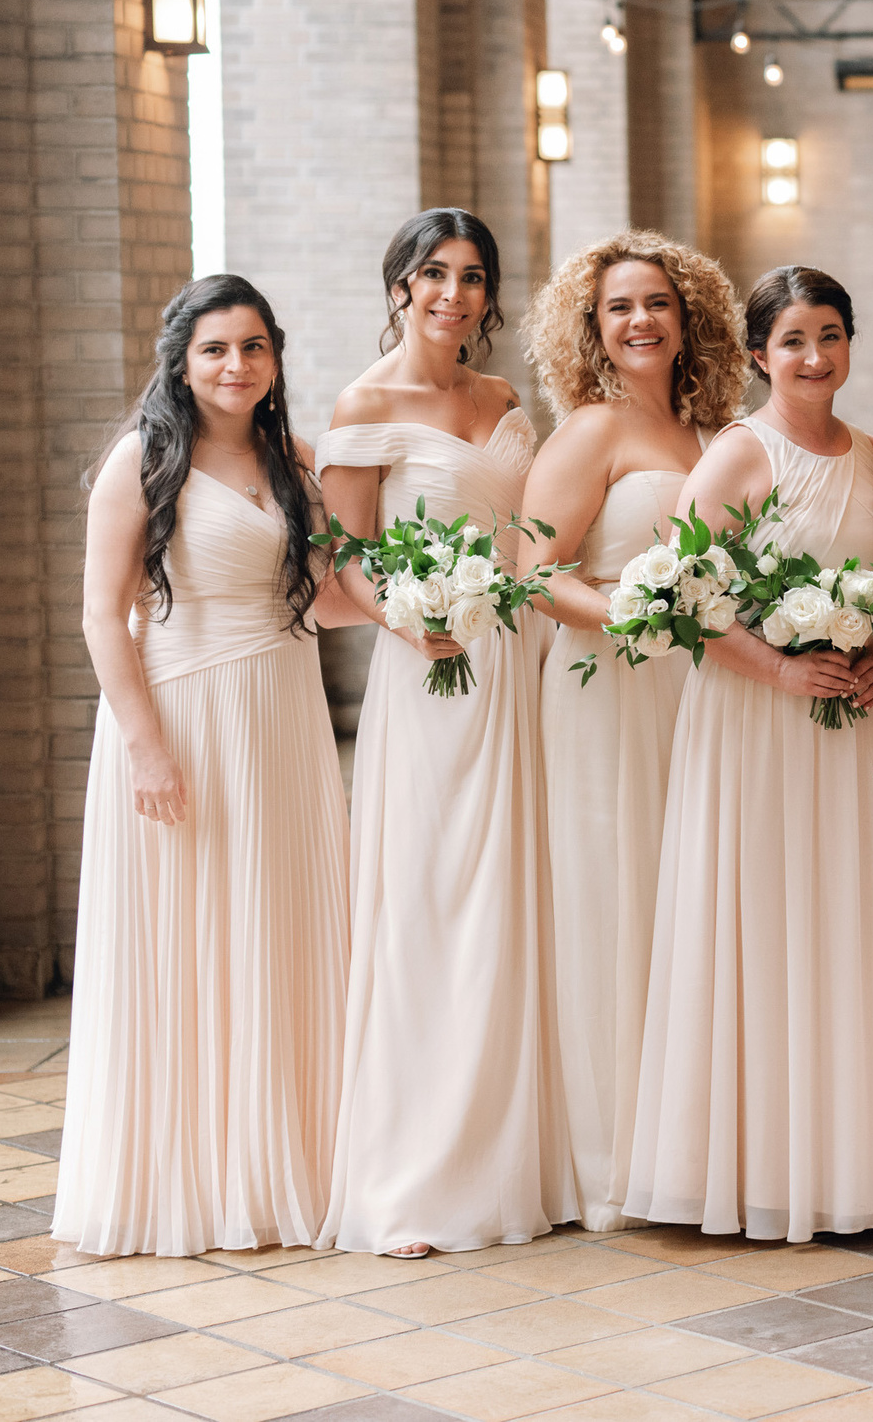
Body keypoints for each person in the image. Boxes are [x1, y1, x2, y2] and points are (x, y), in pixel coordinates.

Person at [56, 276, 357, 1257]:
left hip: (281, 716)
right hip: (183, 716)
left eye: (255, 348)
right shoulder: (140, 461)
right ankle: (189, 1176)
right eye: (217, 349)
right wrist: (146, 748)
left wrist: (422, 614)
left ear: (277, 357)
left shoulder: (293, 460)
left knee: (280, 924)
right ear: (181, 360)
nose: (237, 367)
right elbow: (105, 616)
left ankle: (286, 1167)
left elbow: (322, 598)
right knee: (192, 935)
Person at [626, 269, 873, 1241]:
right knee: (764, 921)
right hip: (755, 723)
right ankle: (756, 1166)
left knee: (853, 923)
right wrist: (778, 671)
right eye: (793, 340)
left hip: (853, 732)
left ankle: (855, 1162)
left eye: (831, 334)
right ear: (758, 355)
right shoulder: (742, 456)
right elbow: (672, 596)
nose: (816, 357)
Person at [316, 208, 575, 1256]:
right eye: (433, 274)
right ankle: (414, 1178)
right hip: (430, 677)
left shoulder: (505, 397)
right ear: (398, 288)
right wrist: (406, 617)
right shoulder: (362, 404)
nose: (453, 294)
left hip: (518, 666)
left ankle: (513, 1154)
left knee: (513, 901)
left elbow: (536, 534)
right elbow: (342, 563)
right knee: (428, 903)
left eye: (472, 277)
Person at [520, 230, 746, 1233]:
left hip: (705, 695)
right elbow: (533, 573)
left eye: (657, 302)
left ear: (689, 317)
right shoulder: (589, 433)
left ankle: (692, 1142)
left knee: (690, 901)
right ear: (592, 328)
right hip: (608, 687)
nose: (640, 320)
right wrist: (633, 616)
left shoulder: (716, 435)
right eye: (619, 307)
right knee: (618, 896)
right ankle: (613, 1153)